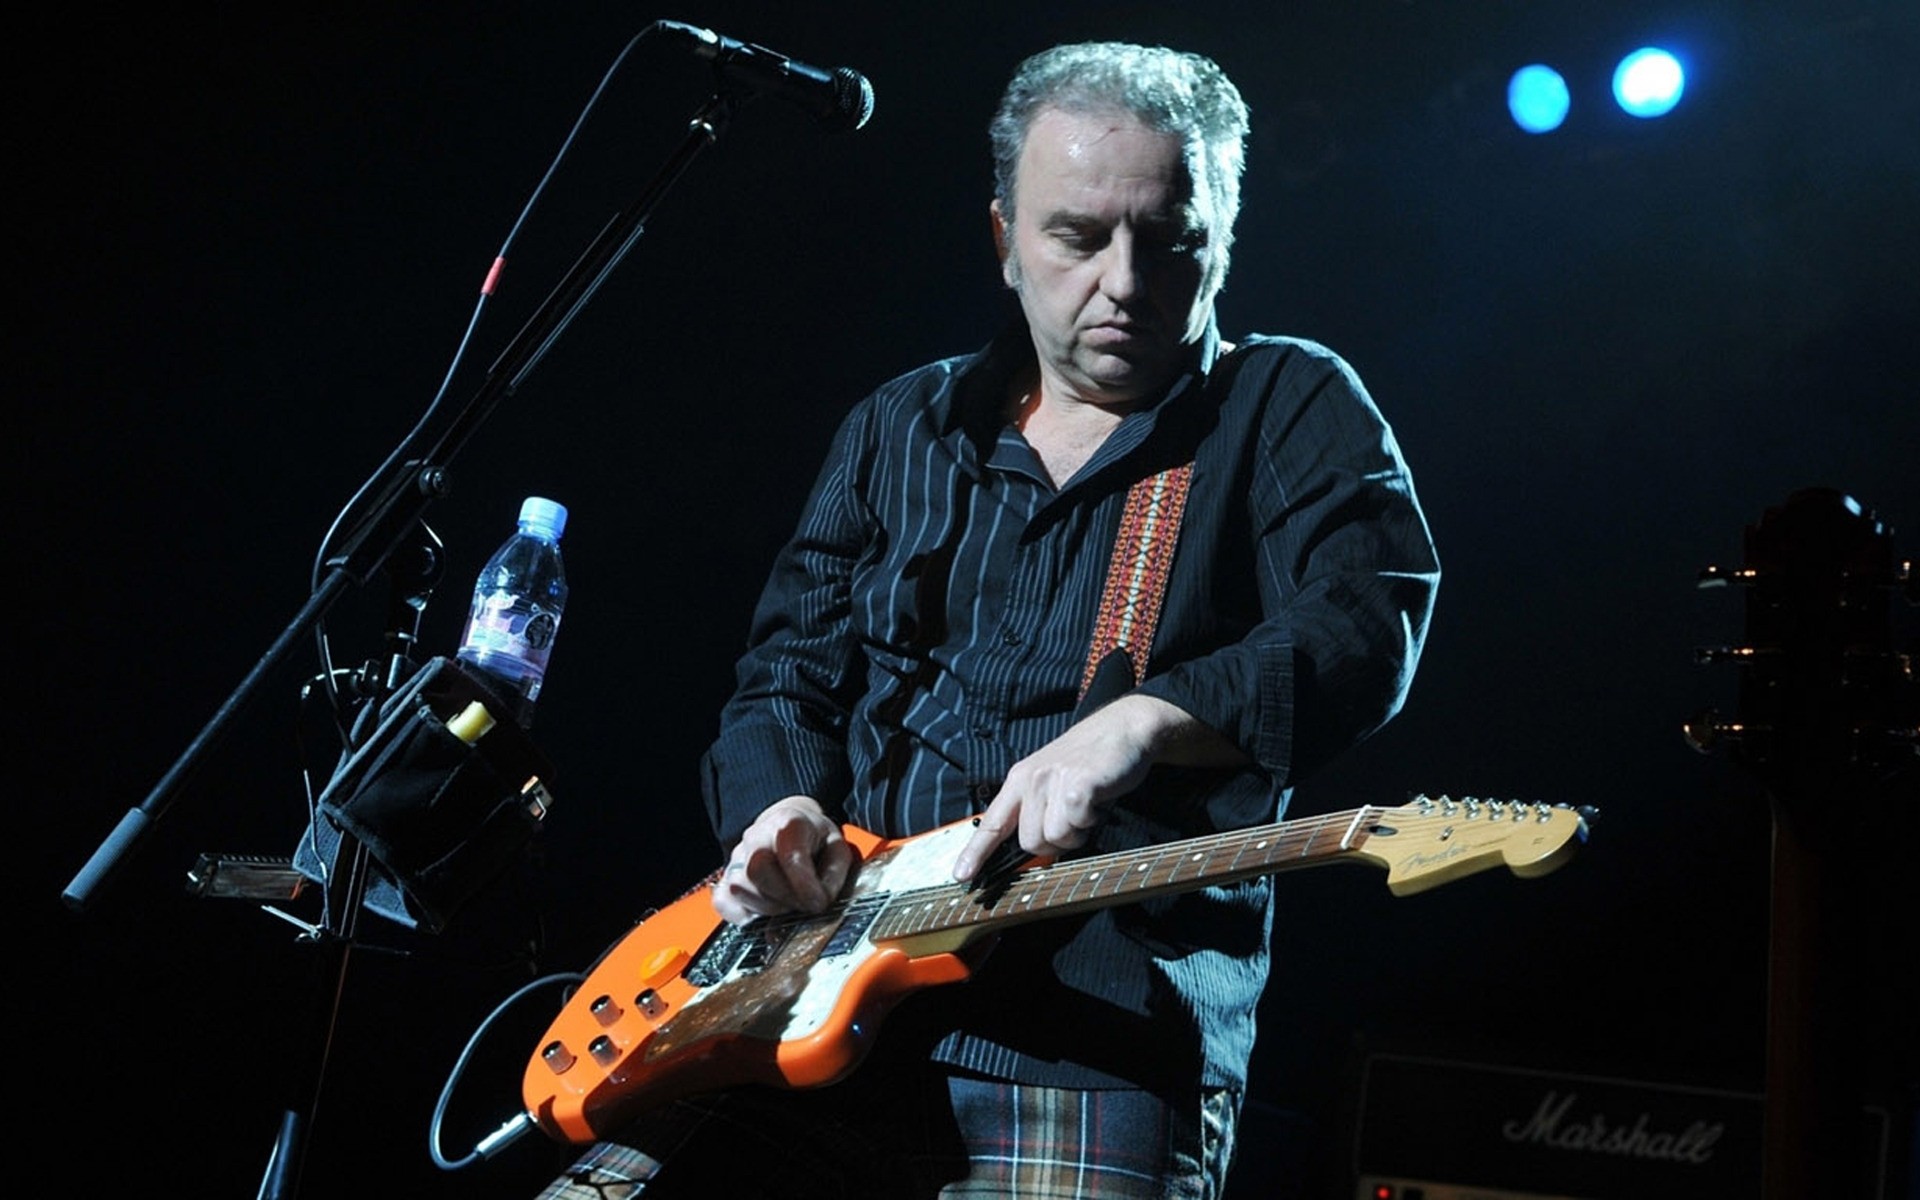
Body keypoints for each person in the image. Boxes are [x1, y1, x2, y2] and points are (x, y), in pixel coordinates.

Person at [539, 38, 1438, 1199]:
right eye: (1077, 236)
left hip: (1085, 1042)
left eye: (1168, 241)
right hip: (794, 989)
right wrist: (777, 809)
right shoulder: (901, 423)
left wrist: (1147, 719)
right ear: (1005, 235)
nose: (1123, 280)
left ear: (1221, 235)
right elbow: (783, 672)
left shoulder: (1283, 405)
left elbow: (1367, 624)